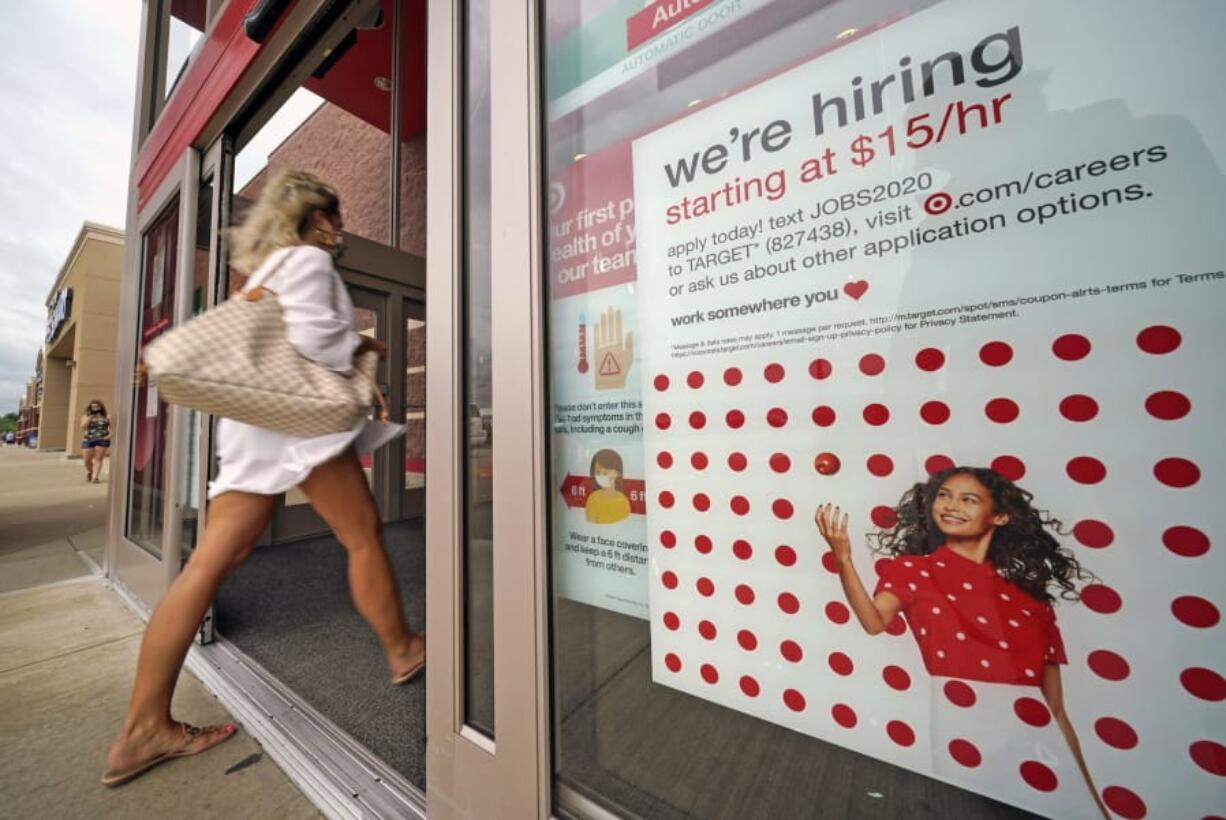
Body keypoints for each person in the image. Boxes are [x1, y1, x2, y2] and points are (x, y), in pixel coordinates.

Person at [102, 170, 425, 787]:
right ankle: (403, 647)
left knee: (211, 563)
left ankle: (144, 725)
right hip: (300, 430)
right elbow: (317, 346)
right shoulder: (306, 263)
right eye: (333, 212)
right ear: (313, 216)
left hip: (256, 432)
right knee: (362, 537)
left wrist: (361, 350)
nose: (339, 225)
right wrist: (360, 348)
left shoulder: (267, 273)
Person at [815, 466, 1108, 819]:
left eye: (968, 499)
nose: (952, 506)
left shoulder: (1032, 601)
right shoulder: (912, 570)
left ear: (1000, 516)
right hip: (963, 730)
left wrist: (1092, 803)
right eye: (944, 495)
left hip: (1037, 743)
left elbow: (1056, 711)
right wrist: (843, 559)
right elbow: (874, 621)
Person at [585, 448, 632, 524]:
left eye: (605, 473)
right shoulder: (593, 499)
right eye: (598, 472)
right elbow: (590, 524)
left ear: (617, 473)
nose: (601, 476)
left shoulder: (623, 501)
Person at [80, 400, 112, 482]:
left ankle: (95, 477)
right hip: (88, 439)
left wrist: (109, 436)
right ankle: (91, 472)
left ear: (101, 407)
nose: (95, 408)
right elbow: (83, 427)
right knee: (87, 460)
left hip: (102, 439)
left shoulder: (106, 416)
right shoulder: (86, 416)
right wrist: (89, 418)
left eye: (97, 406)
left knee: (98, 459)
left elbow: (113, 427)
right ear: (90, 408)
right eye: (93, 407)